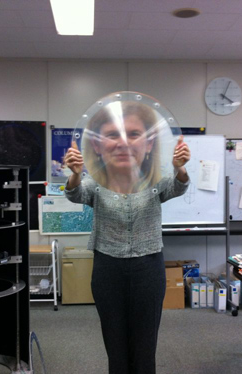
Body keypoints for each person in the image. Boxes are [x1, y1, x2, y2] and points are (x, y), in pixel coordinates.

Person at [64, 101, 190, 374]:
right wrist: (75, 175)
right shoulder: (95, 183)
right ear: (97, 145)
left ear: (148, 144)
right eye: (112, 135)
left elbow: (178, 186)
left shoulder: (156, 181)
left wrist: (180, 168)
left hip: (148, 267)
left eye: (134, 134)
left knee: (145, 346)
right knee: (115, 345)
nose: (123, 142)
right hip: (108, 268)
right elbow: (76, 194)